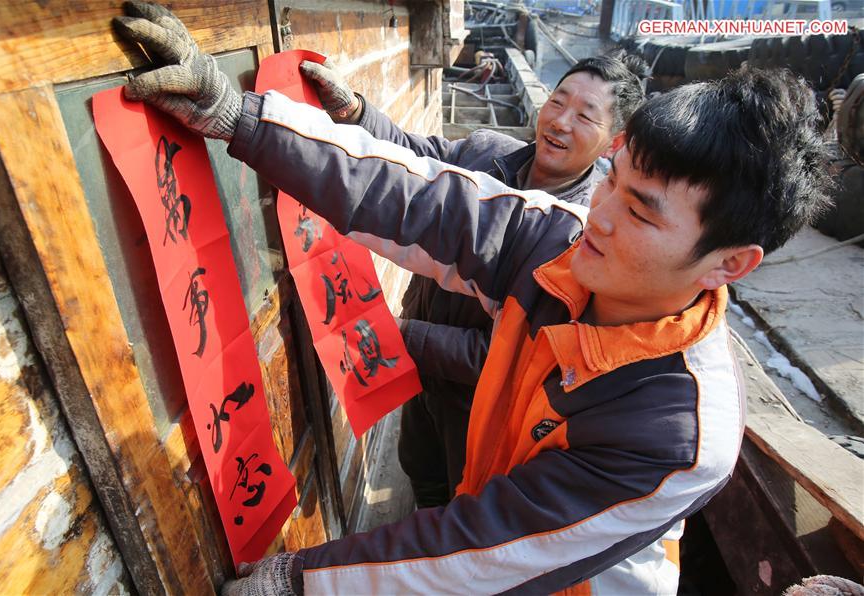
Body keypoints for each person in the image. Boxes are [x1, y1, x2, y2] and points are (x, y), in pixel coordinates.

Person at [113, 3, 832, 594]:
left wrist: (298, 583)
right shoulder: (564, 243)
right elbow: (418, 198)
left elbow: (480, 555)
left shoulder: (674, 429)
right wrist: (242, 117)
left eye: (641, 212)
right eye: (610, 182)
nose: (603, 215)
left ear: (728, 264)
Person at [299, 50, 648, 509]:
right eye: (558, 101)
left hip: (476, 404)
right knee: (417, 469)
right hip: (420, 371)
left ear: (613, 143)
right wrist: (355, 113)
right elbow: (414, 155)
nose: (560, 121)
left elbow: (511, 354)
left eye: (585, 116)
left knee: (460, 496)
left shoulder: (582, 238)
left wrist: (404, 334)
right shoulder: (487, 152)